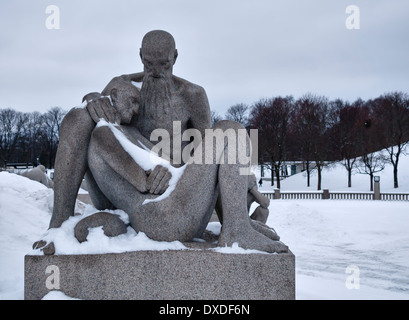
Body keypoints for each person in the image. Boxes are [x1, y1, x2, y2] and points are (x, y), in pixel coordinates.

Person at [45, 30, 286, 253]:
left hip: (174, 197)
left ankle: (238, 226)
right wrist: (92, 98)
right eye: (149, 64)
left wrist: (233, 205)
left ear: (175, 57)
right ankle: (59, 223)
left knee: (227, 134)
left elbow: (208, 165)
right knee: (78, 118)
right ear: (140, 56)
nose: (156, 72)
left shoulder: (192, 95)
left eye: (164, 64)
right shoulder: (118, 100)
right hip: (151, 205)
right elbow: (134, 165)